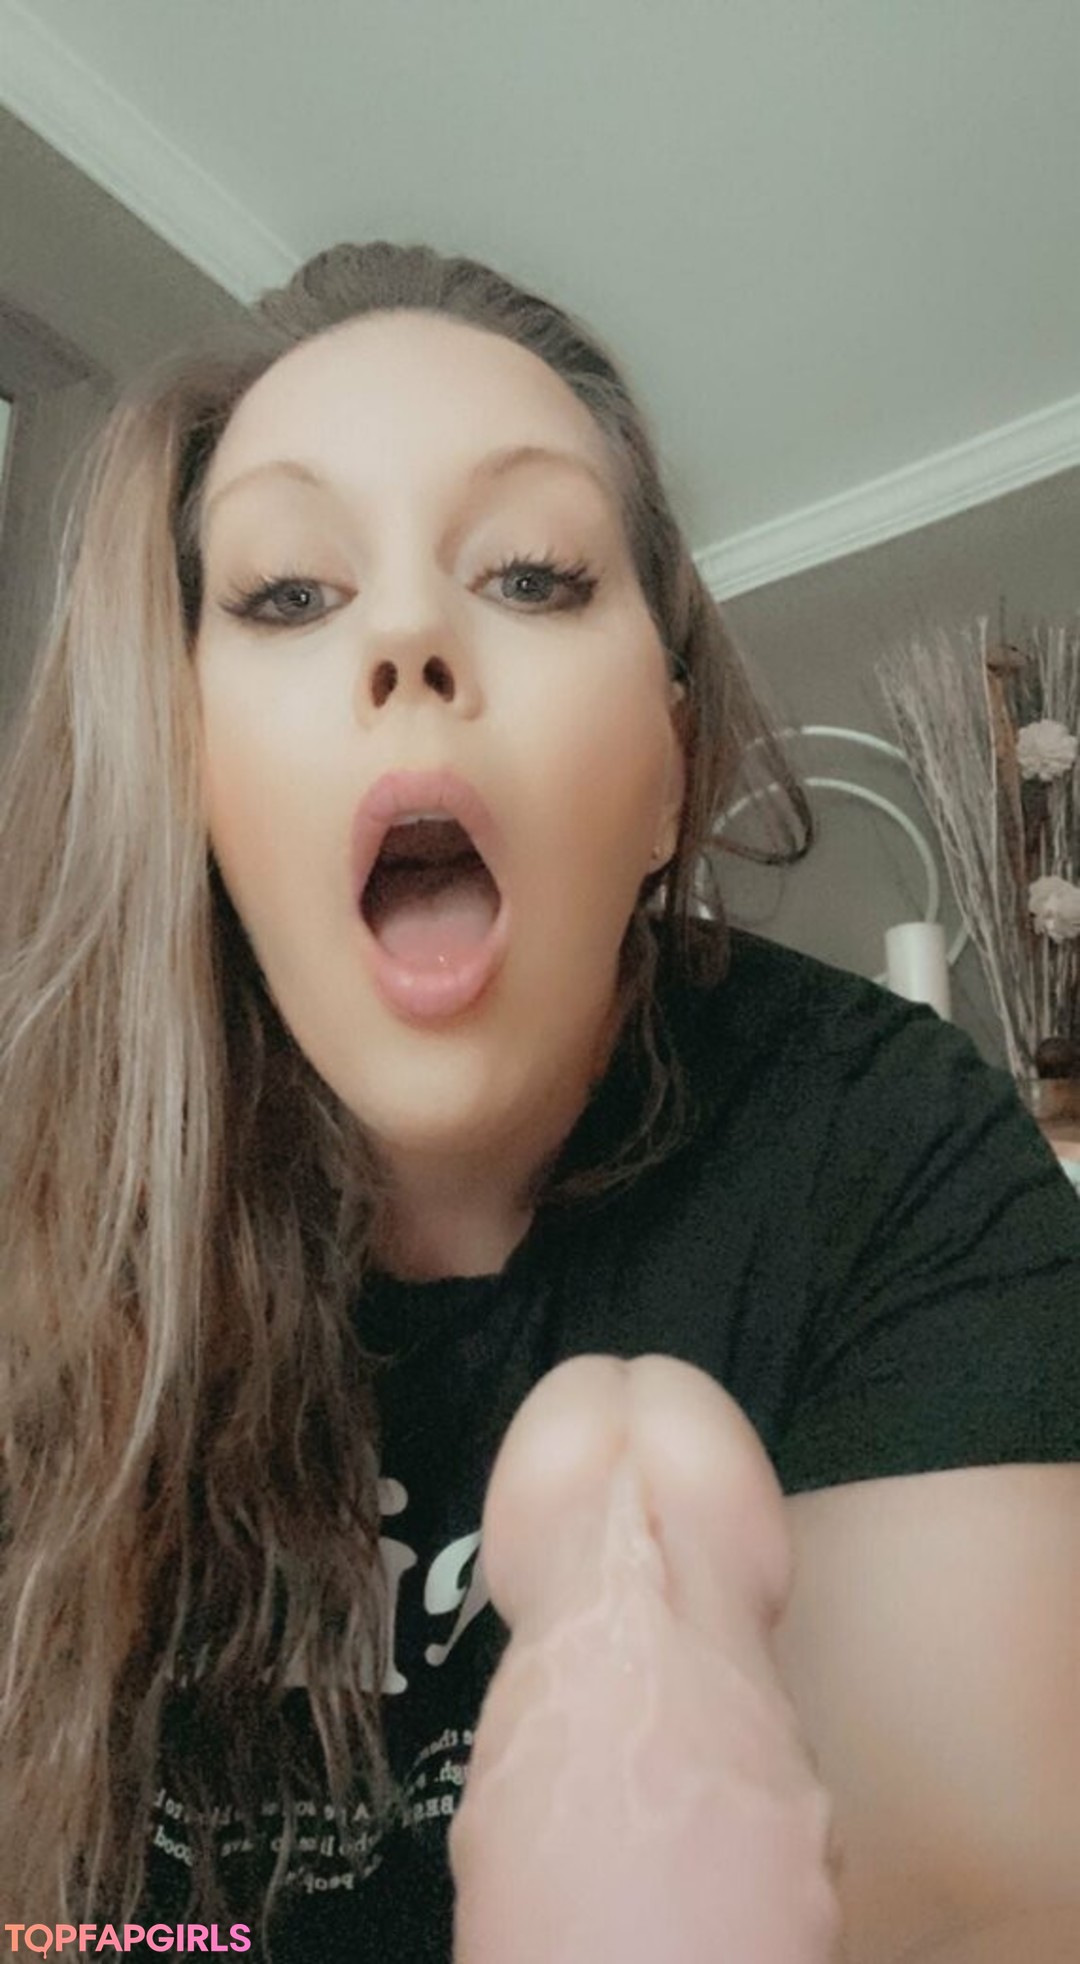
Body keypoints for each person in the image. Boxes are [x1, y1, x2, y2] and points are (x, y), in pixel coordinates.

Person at [0, 239, 1077, 1964]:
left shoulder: (892, 1153)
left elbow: (982, 1914)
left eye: (530, 572)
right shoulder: (36, 1219)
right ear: (187, 776)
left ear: (666, 770)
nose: (409, 639)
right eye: (288, 593)